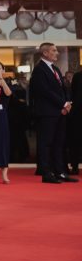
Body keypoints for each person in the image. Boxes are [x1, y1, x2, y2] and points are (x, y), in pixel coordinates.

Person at [29, 43, 78, 184]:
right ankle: (46, 173)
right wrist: (62, 104)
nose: (57, 53)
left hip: (60, 112)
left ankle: (60, 172)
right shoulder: (39, 70)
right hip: (47, 114)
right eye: (54, 50)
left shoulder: (55, 68)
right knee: (46, 144)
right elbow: (45, 91)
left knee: (59, 143)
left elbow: (63, 89)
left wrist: (68, 103)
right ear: (45, 53)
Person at [69, 69, 82, 175]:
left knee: (75, 141)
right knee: (75, 140)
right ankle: (74, 165)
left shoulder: (77, 76)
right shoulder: (77, 76)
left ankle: (74, 166)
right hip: (77, 113)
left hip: (77, 113)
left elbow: (72, 93)